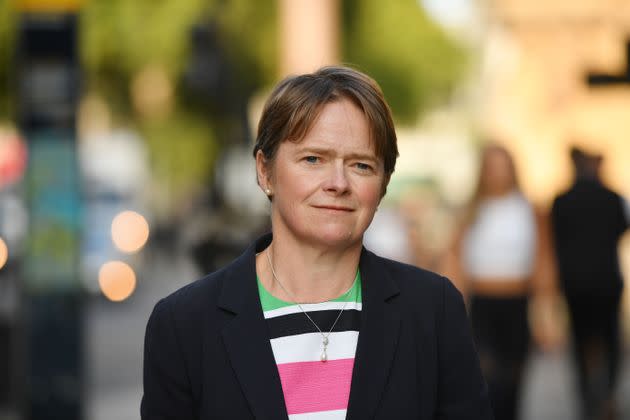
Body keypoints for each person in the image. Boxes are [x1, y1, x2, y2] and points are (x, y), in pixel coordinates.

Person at [141, 66, 493, 420]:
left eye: (361, 166)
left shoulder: (433, 311)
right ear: (265, 171)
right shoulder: (183, 324)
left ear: (383, 184)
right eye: (313, 159)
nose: (338, 183)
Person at [447, 143, 555, 420]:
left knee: (515, 378)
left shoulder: (529, 210)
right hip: (483, 303)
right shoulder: (471, 211)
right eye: (491, 167)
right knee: (487, 377)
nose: (496, 173)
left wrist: (547, 314)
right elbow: (456, 260)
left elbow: (543, 260)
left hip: (517, 302)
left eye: (502, 166)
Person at [551, 147, 629, 420]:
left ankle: (587, 396)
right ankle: (606, 393)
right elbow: (622, 228)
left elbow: (555, 239)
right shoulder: (611, 198)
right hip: (606, 281)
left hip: (575, 284)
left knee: (580, 340)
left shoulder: (562, 200)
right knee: (610, 339)